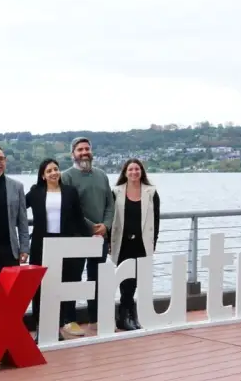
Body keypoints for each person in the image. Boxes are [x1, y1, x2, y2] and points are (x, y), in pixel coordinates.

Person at [26, 158, 90, 340]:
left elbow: (79, 218)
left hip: (65, 245)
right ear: (43, 176)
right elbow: (18, 209)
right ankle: (41, 327)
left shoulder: (70, 192)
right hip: (41, 245)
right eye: (49, 171)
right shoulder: (35, 192)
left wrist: (89, 239)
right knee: (40, 287)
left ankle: (59, 326)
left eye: (56, 169)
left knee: (61, 285)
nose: (54, 173)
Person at [60, 137, 115, 334]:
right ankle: (69, 320)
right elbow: (70, 210)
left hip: (100, 238)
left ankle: (96, 319)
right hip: (77, 237)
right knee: (73, 278)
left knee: (97, 278)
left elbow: (110, 203)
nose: (84, 152)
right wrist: (92, 227)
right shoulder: (66, 177)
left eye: (87, 149)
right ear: (72, 154)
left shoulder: (102, 175)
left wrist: (106, 226)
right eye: (80, 149)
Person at [110, 158, 160, 331]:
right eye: (130, 169)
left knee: (137, 281)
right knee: (126, 282)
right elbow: (112, 218)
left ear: (141, 172)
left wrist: (153, 244)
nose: (134, 172)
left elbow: (156, 220)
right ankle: (125, 316)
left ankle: (129, 315)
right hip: (123, 244)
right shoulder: (116, 192)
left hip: (142, 244)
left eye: (137, 169)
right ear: (125, 172)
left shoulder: (151, 192)